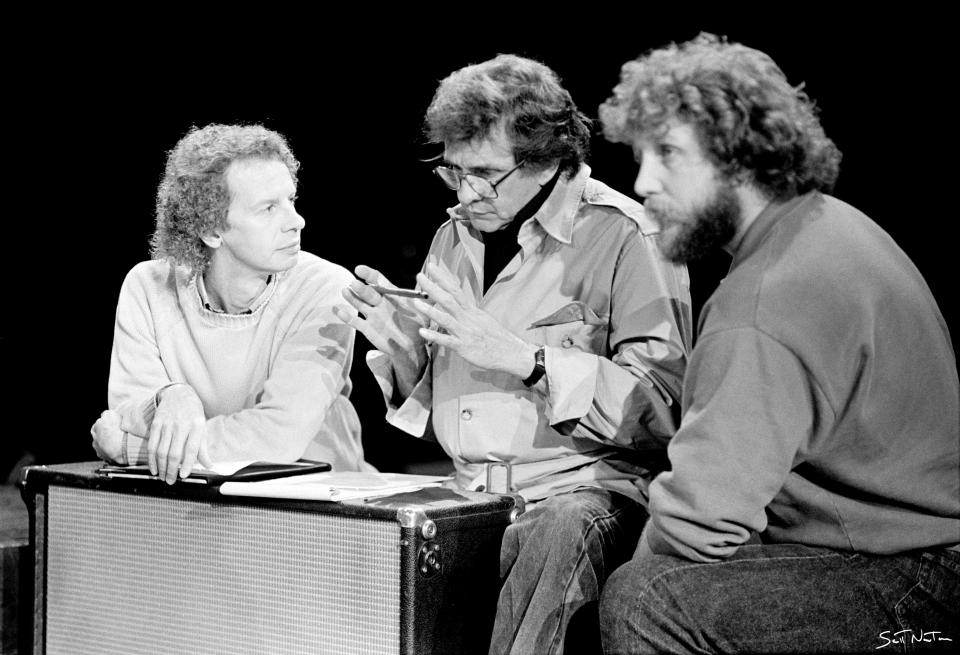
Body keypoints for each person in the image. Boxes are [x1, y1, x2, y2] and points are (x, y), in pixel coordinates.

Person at [596, 33, 960, 653]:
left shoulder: (765, 301)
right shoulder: (829, 224)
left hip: (914, 582)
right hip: (908, 553)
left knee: (647, 596)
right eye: (639, 155)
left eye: (667, 154)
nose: (643, 180)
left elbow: (698, 523)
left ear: (740, 158)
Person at [334, 54, 691, 654]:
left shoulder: (628, 237)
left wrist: (529, 359)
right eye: (452, 172)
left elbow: (667, 408)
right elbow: (457, 421)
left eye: (485, 173)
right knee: (367, 541)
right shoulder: (451, 237)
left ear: (547, 158)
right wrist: (405, 359)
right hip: (474, 495)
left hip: (585, 497)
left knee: (559, 528)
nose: (467, 193)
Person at [91, 123, 370, 484]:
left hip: (320, 510)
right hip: (199, 508)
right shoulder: (149, 287)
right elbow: (127, 412)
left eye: (291, 200)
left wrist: (133, 451)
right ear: (211, 231)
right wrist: (172, 396)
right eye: (269, 208)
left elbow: (277, 437)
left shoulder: (325, 288)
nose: (296, 221)